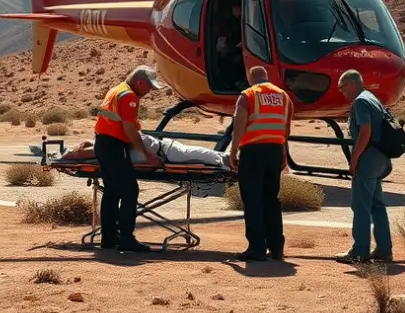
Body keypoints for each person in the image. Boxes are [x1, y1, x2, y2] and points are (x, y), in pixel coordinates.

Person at [92, 65, 164, 252]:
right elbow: (129, 129)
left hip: (103, 144)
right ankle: (126, 238)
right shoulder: (129, 96)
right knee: (130, 190)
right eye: (149, 87)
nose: (149, 92)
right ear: (140, 82)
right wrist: (147, 155)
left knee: (112, 192)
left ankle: (108, 238)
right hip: (114, 147)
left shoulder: (116, 90)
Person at [228, 65, 292, 261]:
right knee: (271, 199)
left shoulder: (248, 95)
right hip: (274, 150)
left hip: (253, 151)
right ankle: (276, 247)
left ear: (250, 78)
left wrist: (233, 150)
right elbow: (286, 128)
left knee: (253, 200)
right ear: (267, 77)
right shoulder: (283, 96)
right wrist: (283, 154)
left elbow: (239, 124)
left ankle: (256, 248)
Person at [335, 69, 394, 265]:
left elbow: (365, 131)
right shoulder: (373, 98)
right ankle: (384, 249)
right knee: (377, 205)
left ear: (351, 84)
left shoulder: (360, 101)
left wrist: (354, 160)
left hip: (367, 161)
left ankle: (359, 251)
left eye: (342, 87)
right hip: (381, 160)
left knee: (360, 206)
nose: (342, 92)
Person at [60, 133, 230, 169]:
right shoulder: (102, 150)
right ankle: (228, 161)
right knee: (204, 155)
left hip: (165, 149)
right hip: (167, 154)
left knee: (204, 154)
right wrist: (66, 155)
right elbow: (75, 154)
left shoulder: (108, 142)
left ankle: (228, 160)